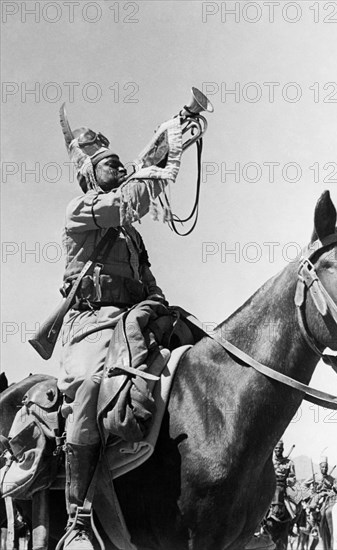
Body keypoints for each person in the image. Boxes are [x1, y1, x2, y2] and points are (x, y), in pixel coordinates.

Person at [57, 107, 183, 549]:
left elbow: (147, 280)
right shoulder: (82, 209)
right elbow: (129, 199)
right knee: (90, 388)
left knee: (198, 352)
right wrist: (162, 153)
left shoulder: (131, 235)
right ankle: (78, 518)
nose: (123, 167)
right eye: (112, 162)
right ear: (90, 175)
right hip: (91, 325)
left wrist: (166, 309)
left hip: (133, 319)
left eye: (124, 163)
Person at [269, 439, 296, 521]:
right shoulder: (270, 462)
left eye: (280, 448)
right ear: (274, 449)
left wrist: (288, 480)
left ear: (283, 449)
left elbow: (293, 477)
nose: (278, 450)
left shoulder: (289, 463)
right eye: (276, 448)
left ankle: (293, 524)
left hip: (284, 487)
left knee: (296, 507)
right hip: (270, 487)